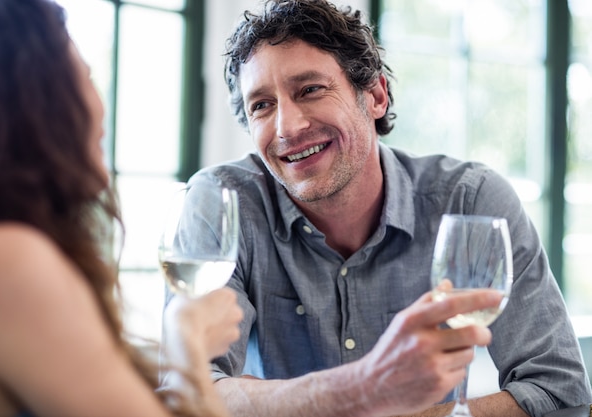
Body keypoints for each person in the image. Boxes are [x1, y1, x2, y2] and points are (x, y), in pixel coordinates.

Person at [163, 0, 592, 416]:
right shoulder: (222, 203)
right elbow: (190, 391)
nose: (287, 127)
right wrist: (356, 392)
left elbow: (559, 391)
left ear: (375, 96)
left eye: (310, 89)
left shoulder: (471, 200)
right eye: (262, 105)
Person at [0, 0, 243, 416]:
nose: (101, 106)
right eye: (87, 78)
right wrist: (187, 341)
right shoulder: (8, 262)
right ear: (35, 102)